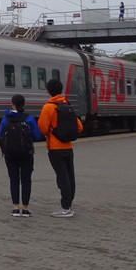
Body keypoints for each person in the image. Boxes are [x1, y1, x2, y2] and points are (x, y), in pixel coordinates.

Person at [37, 78, 83, 218]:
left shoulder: (48, 107)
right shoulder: (66, 105)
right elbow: (79, 127)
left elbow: (43, 128)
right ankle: (68, 205)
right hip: (68, 147)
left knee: (62, 177)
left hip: (55, 148)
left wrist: (52, 132)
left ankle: (65, 208)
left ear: (48, 91)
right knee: (70, 176)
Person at [0, 93, 42, 217]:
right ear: (24, 104)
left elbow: (0, 134)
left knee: (14, 180)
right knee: (26, 180)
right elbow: (37, 135)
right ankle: (25, 209)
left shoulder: (6, 118)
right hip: (26, 153)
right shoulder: (29, 118)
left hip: (9, 154)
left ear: (12, 104)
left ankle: (15, 208)